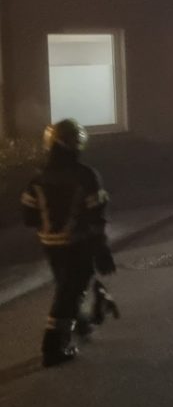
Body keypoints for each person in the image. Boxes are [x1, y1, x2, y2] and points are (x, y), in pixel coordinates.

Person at [21, 119, 115, 368]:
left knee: (67, 287)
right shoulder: (85, 175)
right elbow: (96, 216)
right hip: (78, 243)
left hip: (50, 245)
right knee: (69, 292)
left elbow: (28, 217)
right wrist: (102, 249)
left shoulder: (37, 179)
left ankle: (81, 322)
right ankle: (53, 347)